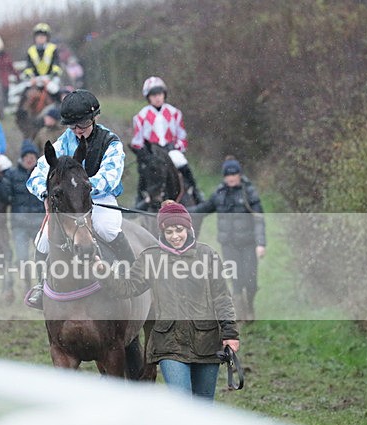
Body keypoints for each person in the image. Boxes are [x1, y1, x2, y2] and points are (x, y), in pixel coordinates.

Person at [94, 200, 240, 402]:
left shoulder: (207, 255)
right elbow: (127, 288)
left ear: (188, 228)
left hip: (206, 342)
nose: (175, 236)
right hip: (169, 344)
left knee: (203, 408)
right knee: (182, 404)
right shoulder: (151, 258)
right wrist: (104, 272)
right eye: (169, 231)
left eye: (179, 230)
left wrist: (230, 334)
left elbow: (222, 298)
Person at [25, 89, 133, 309]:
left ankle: (131, 272)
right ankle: (41, 286)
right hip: (69, 204)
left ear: (94, 118)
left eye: (82, 124)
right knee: (43, 240)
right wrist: (45, 193)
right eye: (72, 126)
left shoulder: (110, 142)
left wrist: (81, 189)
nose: (77, 130)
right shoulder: (62, 143)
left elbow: (110, 176)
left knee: (106, 228)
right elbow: (36, 175)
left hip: (99, 198)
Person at [190, 158, 266, 321]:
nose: (231, 178)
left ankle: (250, 306)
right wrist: (179, 211)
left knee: (250, 281)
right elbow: (202, 209)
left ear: (239, 175)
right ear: (224, 177)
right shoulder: (219, 193)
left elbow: (259, 219)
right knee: (236, 279)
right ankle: (240, 314)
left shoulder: (249, 192)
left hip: (248, 244)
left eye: (234, 174)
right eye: (228, 175)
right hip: (229, 245)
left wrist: (261, 243)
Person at [131, 76, 202, 203]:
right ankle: (140, 198)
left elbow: (182, 136)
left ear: (164, 94)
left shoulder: (175, 113)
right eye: (153, 95)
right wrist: (144, 153)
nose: (157, 97)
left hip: (171, 150)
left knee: (182, 163)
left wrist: (176, 147)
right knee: (144, 171)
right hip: (152, 153)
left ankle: (195, 192)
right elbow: (137, 141)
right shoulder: (140, 116)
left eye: (159, 94)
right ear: (148, 97)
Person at [3, 140, 45, 289]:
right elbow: (4, 195)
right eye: (26, 156)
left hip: (40, 225)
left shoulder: (43, 175)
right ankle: (27, 285)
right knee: (22, 258)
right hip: (19, 225)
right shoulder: (12, 174)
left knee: (43, 258)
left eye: (32, 156)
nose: (29, 159)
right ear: (21, 158)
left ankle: (42, 286)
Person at [22, 23, 62, 98]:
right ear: (35, 37)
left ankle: (60, 104)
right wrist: (31, 77)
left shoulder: (53, 48)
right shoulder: (31, 50)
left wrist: (51, 77)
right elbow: (28, 67)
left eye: (43, 36)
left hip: (50, 78)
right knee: (24, 92)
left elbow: (56, 65)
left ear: (47, 37)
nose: (40, 38)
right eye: (38, 36)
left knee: (55, 91)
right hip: (36, 79)